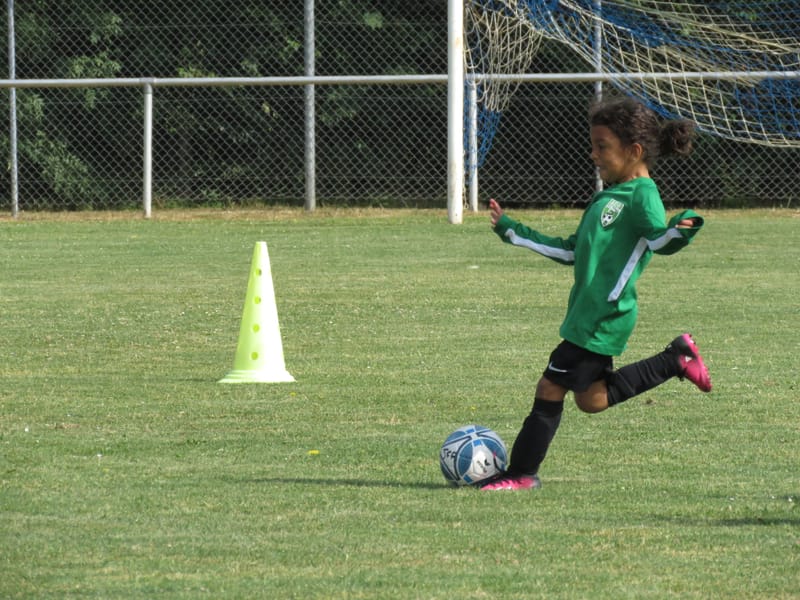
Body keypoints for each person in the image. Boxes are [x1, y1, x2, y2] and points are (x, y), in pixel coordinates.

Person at [481, 96, 712, 492]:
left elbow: (659, 240)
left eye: (602, 146)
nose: (594, 154)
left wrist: (682, 228)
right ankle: (677, 358)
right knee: (592, 400)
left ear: (634, 151)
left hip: (603, 316)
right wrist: (513, 231)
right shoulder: (609, 197)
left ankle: (520, 474)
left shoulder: (641, 196)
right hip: (587, 315)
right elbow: (573, 250)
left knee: (549, 387)